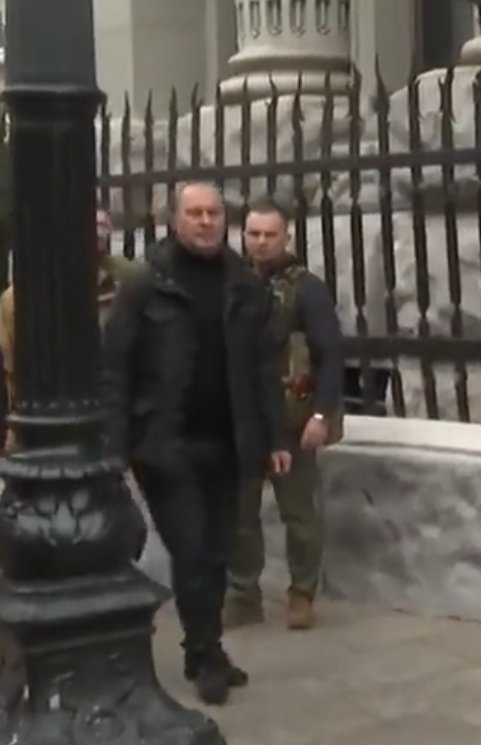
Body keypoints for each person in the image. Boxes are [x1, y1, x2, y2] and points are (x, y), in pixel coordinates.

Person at [100, 182, 293, 706]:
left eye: (213, 213)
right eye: (195, 213)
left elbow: (262, 369)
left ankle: (206, 647)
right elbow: (116, 368)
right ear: (175, 220)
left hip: (228, 441)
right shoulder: (146, 283)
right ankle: (204, 654)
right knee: (192, 551)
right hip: (166, 444)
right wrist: (116, 447)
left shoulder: (243, 284)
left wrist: (276, 436)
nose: (206, 221)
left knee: (218, 552)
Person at [224, 199, 345, 632]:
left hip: (293, 419)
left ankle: (301, 593)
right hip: (243, 418)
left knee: (298, 514)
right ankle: (243, 595)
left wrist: (321, 416)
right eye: (253, 234)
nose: (260, 242)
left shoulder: (306, 288)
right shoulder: (232, 283)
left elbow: (330, 354)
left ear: (286, 237)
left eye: (269, 234)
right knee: (239, 513)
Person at [0, 207, 136, 449]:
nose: (98, 231)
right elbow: (11, 366)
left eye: (103, 225)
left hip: (110, 413)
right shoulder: (19, 296)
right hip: (43, 414)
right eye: (92, 224)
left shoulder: (127, 282)